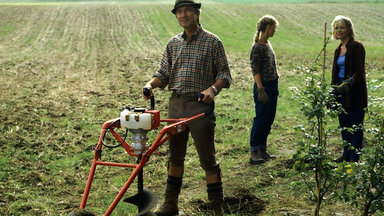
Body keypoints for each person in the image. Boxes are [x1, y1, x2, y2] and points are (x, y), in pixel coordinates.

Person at [143, 0, 232, 215]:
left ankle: (215, 207)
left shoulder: (212, 42)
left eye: (188, 11)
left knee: (207, 159)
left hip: (200, 107)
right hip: (176, 105)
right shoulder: (173, 44)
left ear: (197, 13)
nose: (183, 15)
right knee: (175, 157)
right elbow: (163, 73)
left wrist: (212, 90)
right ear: (176, 16)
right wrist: (150, 84)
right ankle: (171, 204)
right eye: (179, 12)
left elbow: (224, 75)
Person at [331, 15, 367, 162]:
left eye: (342, 27)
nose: (338, 30)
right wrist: (333, 91)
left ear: (349, 29)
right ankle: (346, 154)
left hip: (354, 92)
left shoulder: (357, 46)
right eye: (336, 28)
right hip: (339, 91)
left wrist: (348, 84)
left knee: (355, 125)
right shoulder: (337, 49)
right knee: (344, 124)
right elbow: (334, 73)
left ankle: (354, 157)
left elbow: (359, 71)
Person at [249, 15, 279, 165]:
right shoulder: (257, 47)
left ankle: (262, 149)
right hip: (264, 86)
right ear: (268, 27)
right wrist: (261, 89)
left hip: (273, 85)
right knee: (261, 118)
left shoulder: (267, 44)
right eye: (274, 27)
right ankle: (254, 151)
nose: (275, 30)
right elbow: (256, 70)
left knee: (269, 118)